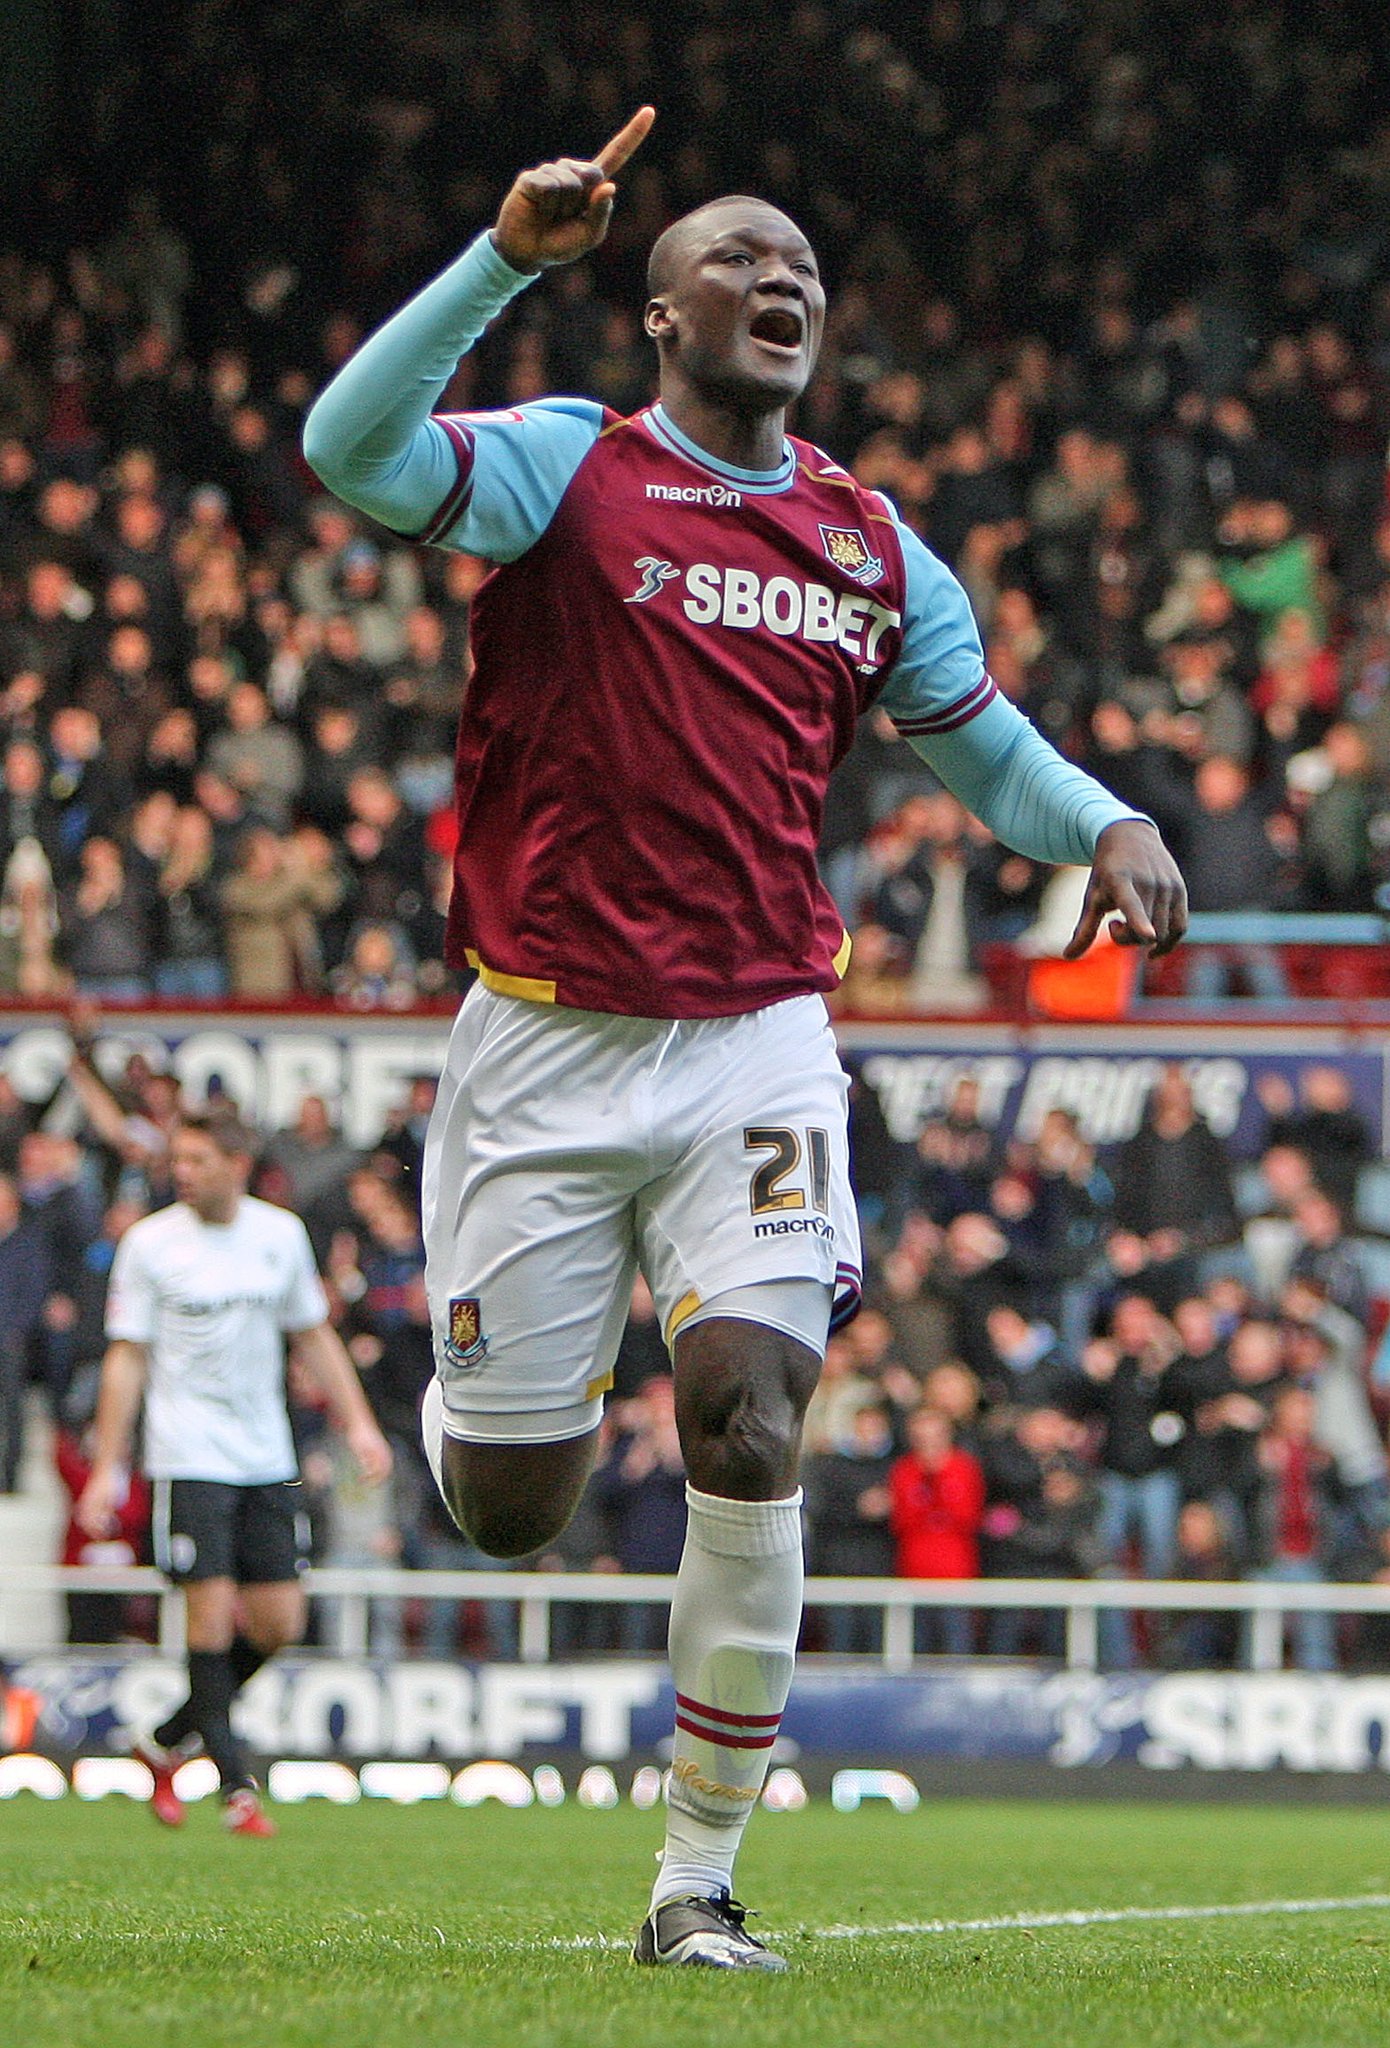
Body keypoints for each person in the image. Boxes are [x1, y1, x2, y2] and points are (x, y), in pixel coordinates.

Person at [302, 111, 1186, 1970]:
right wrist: (496, 259)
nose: (783, 284)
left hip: (757, 1042)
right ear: (655, 307)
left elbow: (989, 755)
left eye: (803, 270)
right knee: (510, 1507)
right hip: (540, 1049)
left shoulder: (868, 541)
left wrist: (1105, 820)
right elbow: (348, 449)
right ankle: (488, 1411)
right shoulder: (567, 467)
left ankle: (693, 1878)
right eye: (740, 260)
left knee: (753, 1413)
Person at [75, 1109, 391, 1835]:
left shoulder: (278, 1236)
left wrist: (360, 1425)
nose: (179, 1172)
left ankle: (164, 1741)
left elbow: (313, 1335)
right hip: (187, 1457)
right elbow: (127, 1358)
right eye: (176, 1159)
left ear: (236, 1165)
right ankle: (235, 1785)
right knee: (210, 1614)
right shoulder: (150, 1245)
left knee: (281, 1622)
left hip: (265, 1457)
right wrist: (105, 1470)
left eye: (195, 1160)